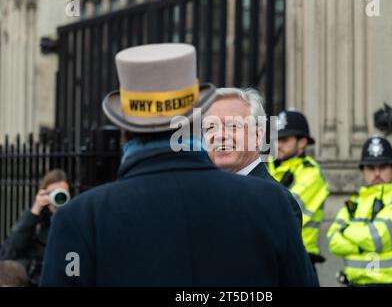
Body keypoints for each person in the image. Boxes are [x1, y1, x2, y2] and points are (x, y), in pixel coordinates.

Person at [40, 43, 319, 286]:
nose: (221, 135)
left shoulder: (79, 219)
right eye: (212, 127)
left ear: (124, 132)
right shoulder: (269, 203)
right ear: (193, 126)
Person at [203, 88, 304, 229]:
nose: (219, 135)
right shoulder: (200, 195)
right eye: (210, 127)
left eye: (232, 126)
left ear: (257, 136)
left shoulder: (277, 202)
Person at [327, 135, 392, 286]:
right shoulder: (354, 203)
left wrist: (346, 230)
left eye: (382, 167)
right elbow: (333, 241)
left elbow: (376, 239)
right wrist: (363, 242)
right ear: (363, 172)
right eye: (370, 167)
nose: (376, 173)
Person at [267, 110, 330, 272]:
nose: (278, 145)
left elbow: (284, 213)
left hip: (299, 261)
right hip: (269, 258)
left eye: (285, 139)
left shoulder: (311, 173)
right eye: (276, 139)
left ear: (302, 142)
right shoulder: (266, 167)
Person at [0, 169, 70, 286]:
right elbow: (12, 247)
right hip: (32, 279)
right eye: (52, 193)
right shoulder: (35, 219)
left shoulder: (75, 219)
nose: (58, 197)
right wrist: (34, 211)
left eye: (62, 193)